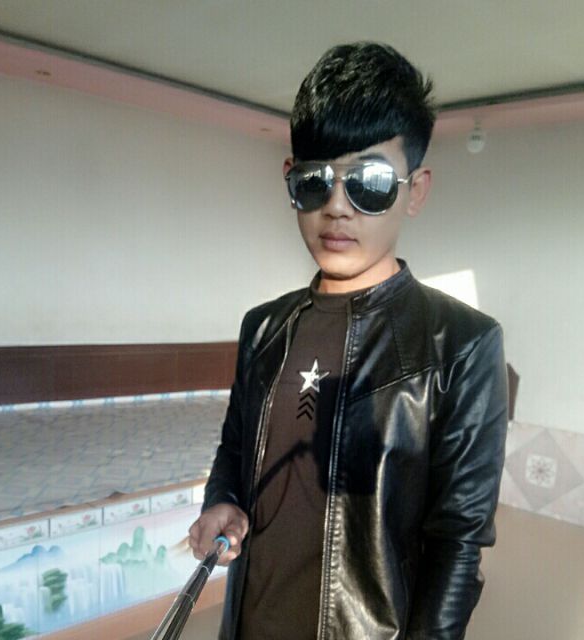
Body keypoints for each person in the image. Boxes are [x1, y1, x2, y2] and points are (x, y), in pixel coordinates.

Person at [188, 42, 508, 640]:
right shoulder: (263, 328)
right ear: (291, 179)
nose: (337, 207)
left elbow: (458, 544)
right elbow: (235, 448)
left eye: (371, 182)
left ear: (415, 190)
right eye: (316, 181)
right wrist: (221, 499)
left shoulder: (461, 345)